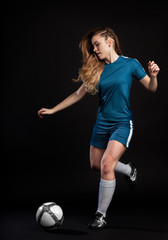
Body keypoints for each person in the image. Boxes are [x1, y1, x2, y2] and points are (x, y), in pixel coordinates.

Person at [38, 27, 160, 229]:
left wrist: (153, 75)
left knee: (106, 164)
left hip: (122, 123)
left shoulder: (131, 64)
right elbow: (77, 95)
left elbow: (151, 88)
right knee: (96, 165)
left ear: (109, 41)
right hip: (102, 123)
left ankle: (100, 215)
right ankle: (129, 169)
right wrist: (53, 110)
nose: (94, 50)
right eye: (93, 46)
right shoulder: (96, 68)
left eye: (97, 44)